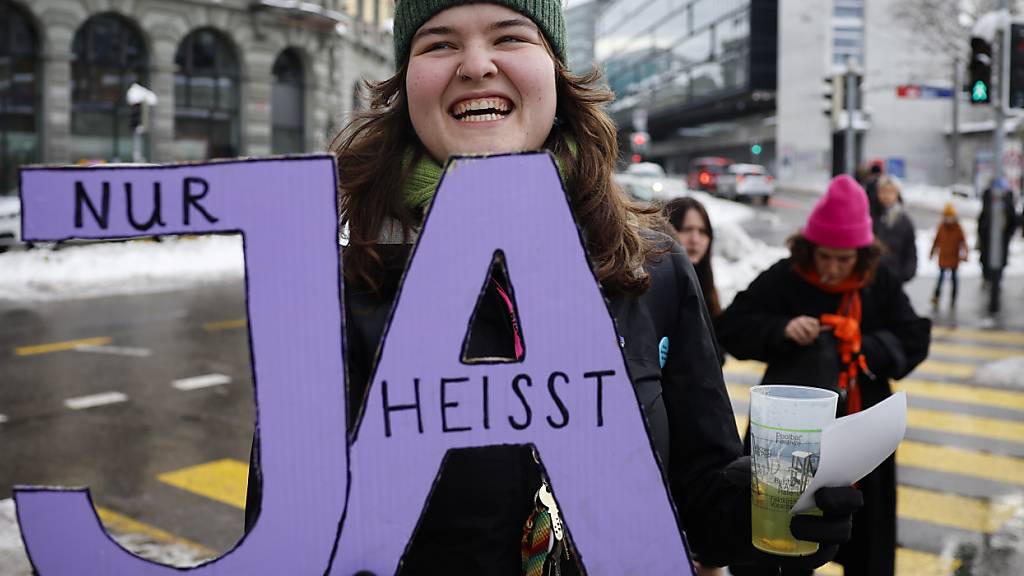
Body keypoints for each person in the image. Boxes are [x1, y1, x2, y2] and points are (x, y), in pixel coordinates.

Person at [244, 2, 861, 574]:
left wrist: (768, 513)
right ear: (405, 85)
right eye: (439, 42)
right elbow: (286, 548)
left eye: (510, 36)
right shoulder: (333, 292)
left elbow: (698, 494)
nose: (477, 64)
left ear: (556, 74)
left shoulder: (653, 267)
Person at [716, 175, 931, 576]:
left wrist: (866, 346)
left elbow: (914, 336)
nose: (832, 268)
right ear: (809, 248)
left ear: (862, 256)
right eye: (824, 256)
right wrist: (781, 330)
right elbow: (732, 326)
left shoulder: (877, 281)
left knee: (864, 534)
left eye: (844, 259)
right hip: (786, 434)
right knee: (772, 538)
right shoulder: (786, 276)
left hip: (859, 428)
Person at [664, 197, 721, 318]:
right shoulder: (654, 292)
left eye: (702, 231)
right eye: (686, 229)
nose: (695, 240)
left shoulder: (707, 290)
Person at [978, 178, 1018, 314]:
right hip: (990, 242)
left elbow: (1012, 220)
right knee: (989, 264)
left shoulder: (1004, 200)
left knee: (996, 266)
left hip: (999, 242)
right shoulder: (990, 199)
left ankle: (994, 288)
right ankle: (990, 283)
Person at [873, 176, 917, 283]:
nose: (886, 195)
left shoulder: (904, 221)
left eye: (890, 191)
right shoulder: (870, 216)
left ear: (897, 194)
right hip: (871, 278)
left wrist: (904, 275)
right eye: (883, 191)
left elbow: (910, 252)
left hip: (894, 278)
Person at [930, 203, 968, 308]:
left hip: (954, 257)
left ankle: (953, 298)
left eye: (950, 217)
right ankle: (936, 296)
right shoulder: (941, 227)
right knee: (940, 278)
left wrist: (965, 254)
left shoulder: (958, 228)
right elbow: (936, 240)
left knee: (954, 278)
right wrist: (932, 252)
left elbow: (963, 242)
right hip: (943, 257)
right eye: (947, 216)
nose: (948, 219)